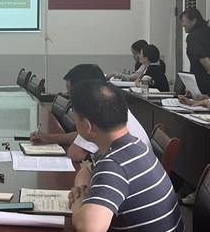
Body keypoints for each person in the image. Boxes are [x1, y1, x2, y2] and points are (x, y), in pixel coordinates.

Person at [68, 79, 183, 232]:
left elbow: (89, 228)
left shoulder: (115, 164)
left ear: (87, 126)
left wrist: (78, 202)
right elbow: (87, 170)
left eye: (76, 117)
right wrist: (81, 189)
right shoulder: (132, 145)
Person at [30, 64, 150, 162]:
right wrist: (50, 138)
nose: (70, 99)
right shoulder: (112, 105)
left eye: (71, 94)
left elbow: (75, 154)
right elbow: (81, 135)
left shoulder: (98, 113)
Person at [180, 8, 210, 96]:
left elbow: (202, 56)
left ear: (194, 21)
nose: (183, 24)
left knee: (199, 101)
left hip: (201, 78)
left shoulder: (192, 37)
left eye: (184, 21)